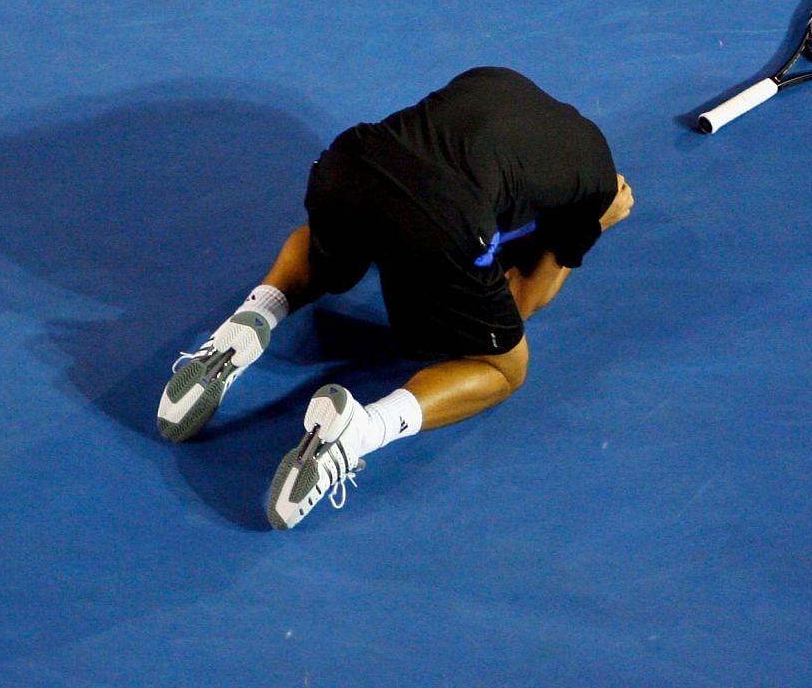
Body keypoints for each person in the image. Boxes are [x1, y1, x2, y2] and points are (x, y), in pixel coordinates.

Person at [157, 67, 634, 529]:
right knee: (502, 367)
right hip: (443, 224)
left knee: (333, 249)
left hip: (349, 166)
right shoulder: (595, 182)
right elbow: (521, 304)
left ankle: (250, 320)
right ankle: (359, 432)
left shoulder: (493, 78)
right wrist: (594, 225)